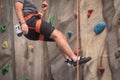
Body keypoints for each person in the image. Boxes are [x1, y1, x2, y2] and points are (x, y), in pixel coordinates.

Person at [14, 0, 92, 66]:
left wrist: (42, 11)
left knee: (62, 37)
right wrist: (23, 23)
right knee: (57, 35)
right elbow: (18, 8)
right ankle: (75, 59)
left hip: (31, 27)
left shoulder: (29, 6)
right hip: (30, 22)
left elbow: (37, 17)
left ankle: (69, 60)